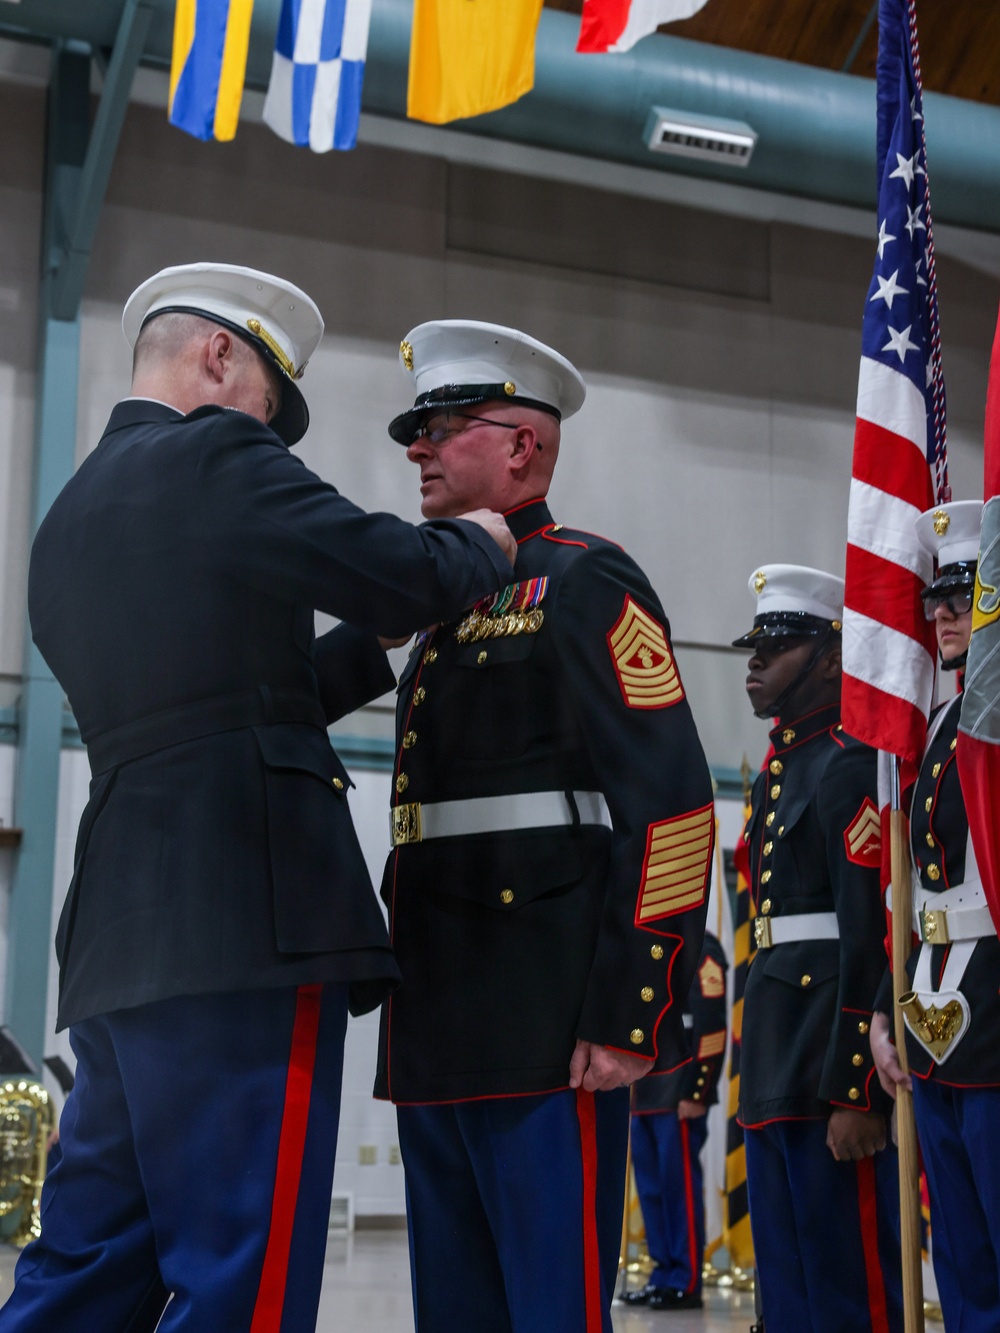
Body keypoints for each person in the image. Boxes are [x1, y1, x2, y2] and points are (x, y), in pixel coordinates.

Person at [0, 264, 516, 1333]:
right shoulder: (212, 453)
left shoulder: (69, 519)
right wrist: (481, 545)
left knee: (91, 1255)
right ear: (219, 357)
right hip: (245, 918)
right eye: (267, 411)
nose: (267, 435)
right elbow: (398, 570)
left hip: (121, 931)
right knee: (245, 1261)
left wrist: (357, 657)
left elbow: (200, 704)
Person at [375, 319, 714, 1332]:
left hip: (545, 1020)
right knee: (455, 1310)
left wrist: (630, 1011)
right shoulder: (439, 606)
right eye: (416, 429)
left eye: (441, 425)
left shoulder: (583, 580)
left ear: (520, 445)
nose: (417, 448)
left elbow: (675, 807)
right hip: (435, 1007)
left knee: (549, 1307)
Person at [733, 565, 903, 1333]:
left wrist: (856, 1089)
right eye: (754, 646)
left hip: (828, 1056)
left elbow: (867, 933)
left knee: (848, 1284)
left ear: (832, 656)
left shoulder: (846, 763)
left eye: (780, 644)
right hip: (775, 1046)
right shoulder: (779, 771)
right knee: (787, 1283)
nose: (755, 662)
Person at [870, 499, 1000, 1332]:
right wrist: (888, 1006)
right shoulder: (946, 719)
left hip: (994, 990)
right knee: (957, 1241)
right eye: (935, 600)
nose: (945, 613)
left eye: (965, 595)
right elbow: (916, 883)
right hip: (934, 993)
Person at [621, 931, 728, 1312]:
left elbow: (712, 1022)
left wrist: (697, 1090)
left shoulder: (702, 944)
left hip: (679, 1089)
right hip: (644, 1087)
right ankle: (662, 1274)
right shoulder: (646, 939)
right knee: (651, 1191)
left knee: (677, 1188)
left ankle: (686, 1279)